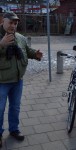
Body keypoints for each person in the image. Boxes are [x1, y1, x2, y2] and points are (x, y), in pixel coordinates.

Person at [0, 12, 43, 147]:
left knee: (15, 107)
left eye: (15, 23)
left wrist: (35, 54)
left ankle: (14, 129)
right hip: (1, 81)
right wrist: (1, 44)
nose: (13, 25)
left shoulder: (20, 38)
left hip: (18, 80)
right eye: (10, 22)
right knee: (0, 108)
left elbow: (26, 50)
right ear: (3, 21)